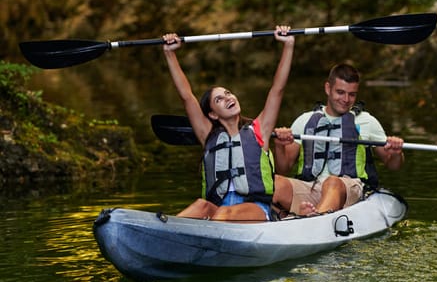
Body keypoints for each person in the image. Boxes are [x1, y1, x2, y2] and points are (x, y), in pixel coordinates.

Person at [162, 25, 295, 222]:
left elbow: (277, 89)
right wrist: (169, 54)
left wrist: (288, 46)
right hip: (218, 209)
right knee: (201, 206)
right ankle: (165, 230)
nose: (227, 98)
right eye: (219, 100)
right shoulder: (207, 135)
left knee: (222, 214)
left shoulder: (260, 130)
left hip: (255, 209)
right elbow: (187, 97)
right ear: (213, 115)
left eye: (228, 93)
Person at [272, 63, 404, 217]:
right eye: (340, 92)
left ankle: (312, 221)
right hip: (310, 188)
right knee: (274, 182)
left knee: (332, 182)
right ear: (328, 88)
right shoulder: (304, 120)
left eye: (352, 94)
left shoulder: (367, 122)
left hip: (348, 188)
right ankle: (293, 216)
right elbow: (283, 168)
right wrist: (279, 146)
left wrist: (396, 153)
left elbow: (394, 165)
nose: (346, 99)